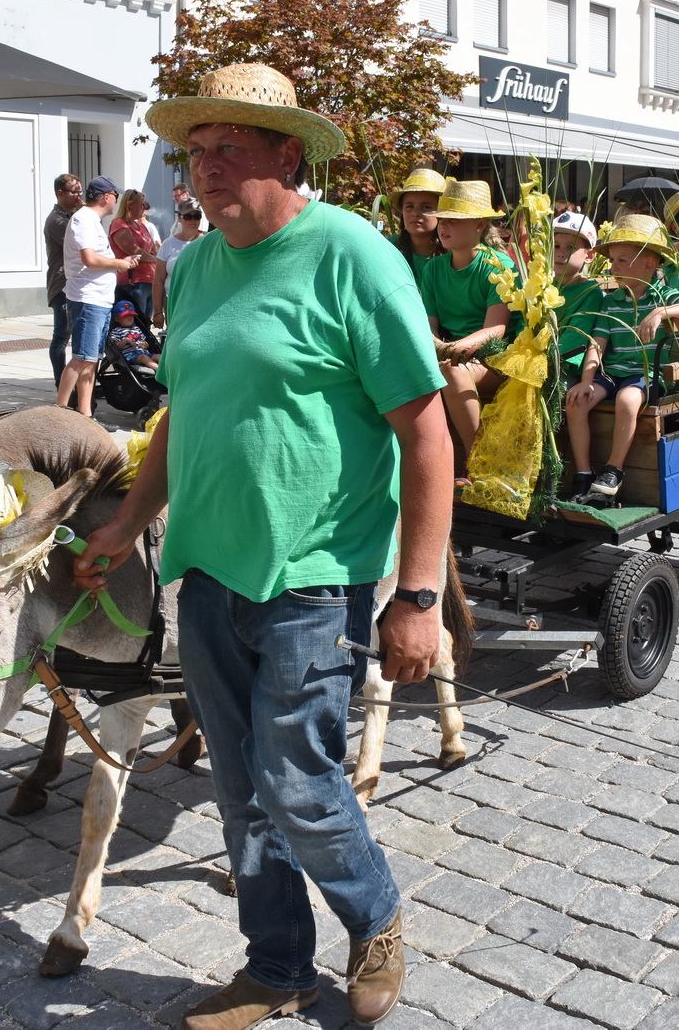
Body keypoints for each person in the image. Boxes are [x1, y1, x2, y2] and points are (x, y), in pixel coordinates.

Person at [73, 62, 451, 1030]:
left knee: (299, 782)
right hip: (207, 574)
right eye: (194, 152)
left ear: (288, 153)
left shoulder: (352, 255)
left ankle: (376, 918)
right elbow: (180, 414)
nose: (204, 169)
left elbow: (425, 431)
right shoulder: (194, 267)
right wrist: (123, 526)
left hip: (315, 577)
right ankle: (276, 965)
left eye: (229, 147)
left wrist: (417, 598)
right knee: (242, 794)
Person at [564, 216, 679, 499]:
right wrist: (587, 380)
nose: (613, 267)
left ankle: (614, 469)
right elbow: (597, 345)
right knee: (576, 401)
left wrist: (661, 313)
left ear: (648, 265)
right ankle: (583, 472)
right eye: (613, 260)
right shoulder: (610, 301)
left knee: (628, 400)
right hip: (612, 372)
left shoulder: (663, 296)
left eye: (621, 260)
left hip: (644, 374)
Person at [416, 179, 515, 470]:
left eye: (455, 220)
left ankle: (480, 464)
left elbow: (496, 329)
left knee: (453, 372)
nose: (444, 226)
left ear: (479, 224)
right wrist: (439, 346)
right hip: (448, 353)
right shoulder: (433, 268)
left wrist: (454, 349)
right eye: (443, 219)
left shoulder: (499, 266)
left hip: (493, 356)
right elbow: (428, 325)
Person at [55, 175, 134, 416]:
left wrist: (118, 263)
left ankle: (85, 415)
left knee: (91, 360)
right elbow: (89, 258)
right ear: (107, 197)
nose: (117, 200)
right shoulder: (84, 219)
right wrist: (119, 264)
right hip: (87, 299)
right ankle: (58, 412)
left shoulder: (89, 220)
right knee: (81, 358)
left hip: (97, 299)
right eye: (116, 196)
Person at [552, 210, 604, 377]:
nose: (560, 253)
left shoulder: (590, 292)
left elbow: (574, 338)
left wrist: (547, 361)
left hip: (564, 369)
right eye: (556, 245)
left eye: (571, 247)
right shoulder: (542, 286)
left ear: (589, 255)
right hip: (530, 362)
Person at [44, 174, 83, 389]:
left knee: (74, 335)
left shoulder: (71, 216)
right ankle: (61, 383)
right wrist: (84, 210)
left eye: (80, 191)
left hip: (73, 283)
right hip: (61, 285)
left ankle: (72, 383)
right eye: (74, 192)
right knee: (61, 337)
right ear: (60, 193)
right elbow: (78, 241)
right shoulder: (56, 220)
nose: (78, 196)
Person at [109, 189, 160, 320]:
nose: (144, 207)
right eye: (141, 204)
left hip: (149, 280)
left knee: (146, 324)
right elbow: (135, 251)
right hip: (133, 282)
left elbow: (152, 248)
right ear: (130, 205)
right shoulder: (119, 224)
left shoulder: (140, 225)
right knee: (136, 324)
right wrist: (156, 260)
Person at [152, 198, 203, 329]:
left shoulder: (208, 241)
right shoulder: (168, 244)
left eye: (196, 216)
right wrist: (158, 312)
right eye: (188, 216)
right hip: (173, 300)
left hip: (201, 300)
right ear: (179, 218)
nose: (193, 221)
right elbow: (158, 280)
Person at [391, 167, 446, 278]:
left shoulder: (454, 254)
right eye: (409, 206)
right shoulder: (389, 248)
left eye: (426, 207)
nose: (415, 213)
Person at [107, 300, 158, 371]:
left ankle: (171, 369)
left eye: (131, 315)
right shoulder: (116, 331)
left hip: (144, 352)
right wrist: (126, 341)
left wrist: (144, 344)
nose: (129, 317)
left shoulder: (137, 328)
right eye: (125, 316)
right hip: (130, 356)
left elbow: (145, 344)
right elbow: (115, 347)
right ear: (117, 319)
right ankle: (159, 371)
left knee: (159, 356)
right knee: (144, 358)